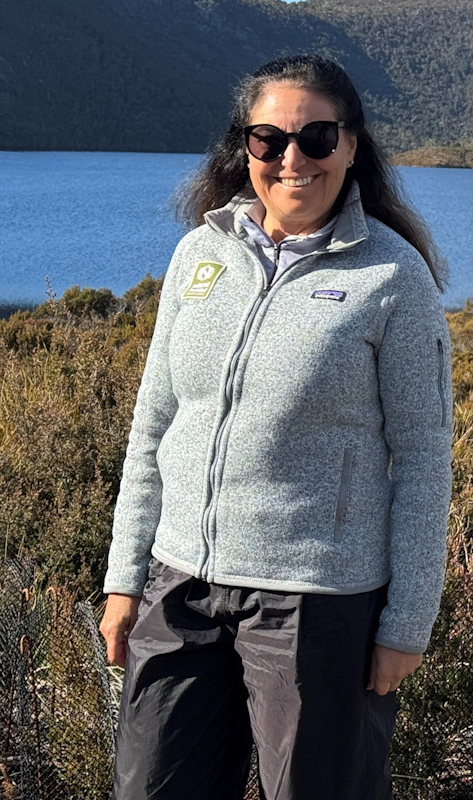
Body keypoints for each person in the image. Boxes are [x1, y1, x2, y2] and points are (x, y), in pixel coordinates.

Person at [99, 54, 452, 800]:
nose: (293, 158)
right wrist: (125, 577)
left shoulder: (392, 277)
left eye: (317, 137)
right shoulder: (200, 254)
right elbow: (155, 423)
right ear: (245, 148)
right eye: (270, 139)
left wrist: (406, 624)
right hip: (180, 586)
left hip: (315, 604)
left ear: (350, 145)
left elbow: (423, 459)